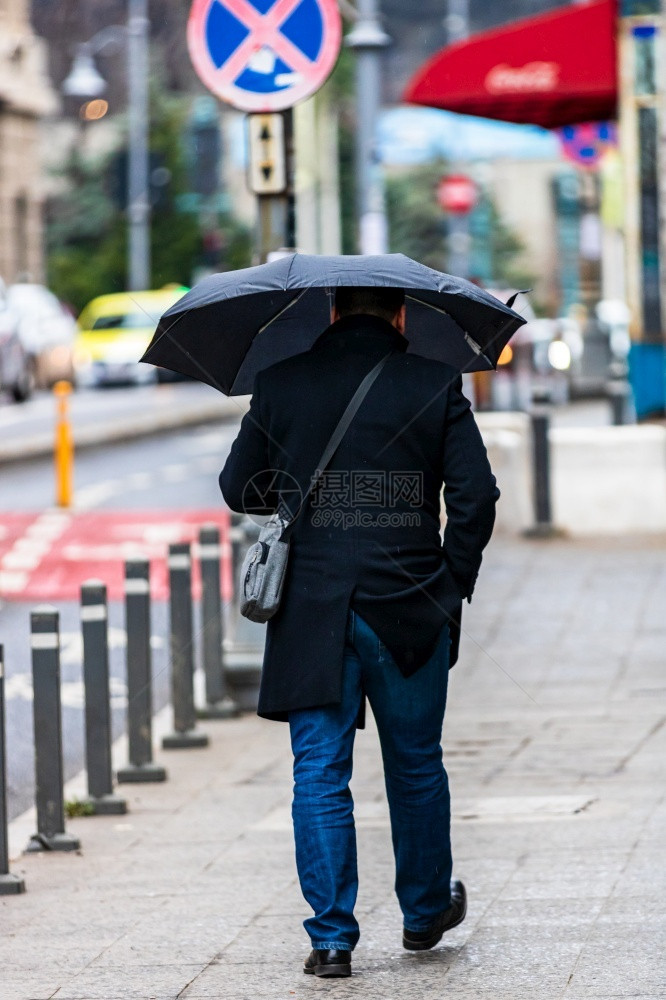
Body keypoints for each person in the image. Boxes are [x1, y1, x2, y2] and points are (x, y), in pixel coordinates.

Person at [219, 286, 499, 978]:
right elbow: (476, 496)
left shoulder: (280, 382)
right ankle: (425, 909)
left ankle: (333, 938)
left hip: (312, 608)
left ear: (333, 313)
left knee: (318, 771)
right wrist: (450, 580)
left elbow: (236, 488)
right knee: (415, 763)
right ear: (401, 316)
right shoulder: (436, 383)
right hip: (409, 603)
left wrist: (294, 491)